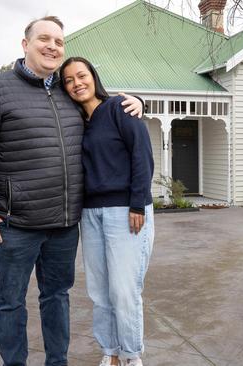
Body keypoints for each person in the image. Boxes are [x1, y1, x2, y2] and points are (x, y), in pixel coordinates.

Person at [0, 16, 143, 366]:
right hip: (15, 225)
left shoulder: (66, 92)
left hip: (63, 225)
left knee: (57, 297)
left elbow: (100, 107)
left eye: (59, 42)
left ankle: (56, 362)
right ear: (25, 44)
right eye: (44, 39)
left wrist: (134, 101)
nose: (52, 47)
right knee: (10, 301)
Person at [60, 57, 154, 366]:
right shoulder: (76, 121)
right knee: (100, 291)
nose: (77, 83)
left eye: (81, 75)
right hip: (90, 215)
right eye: (69, 80)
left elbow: (142, 154)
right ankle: (110, 352)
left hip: (125, 211)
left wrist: (137, 203)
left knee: (124, 290)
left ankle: (132, 355)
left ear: (93, 77)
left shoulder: (118, 108)